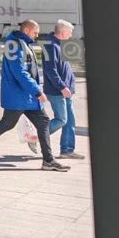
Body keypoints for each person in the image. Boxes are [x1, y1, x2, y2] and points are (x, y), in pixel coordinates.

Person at [0, 19, 70, 171]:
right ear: (26, 30)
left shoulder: (23, 43)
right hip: (18, 95)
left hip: (27, 96)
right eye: (35, 33)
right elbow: (20, 72)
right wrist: (37, 91)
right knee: (7, 123)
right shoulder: (14, 45)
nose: (36, 36)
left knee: (43, 121)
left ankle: (48, 160)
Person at [43, 19, 85, 160]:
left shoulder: (61, 44)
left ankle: (67, 150)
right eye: (70, 32)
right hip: (57, 91)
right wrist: (62, 87)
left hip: (66, 91)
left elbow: (64, 68)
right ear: (63, 32)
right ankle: (37, 136)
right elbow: (50, 70)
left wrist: (69, 86)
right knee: (61, 119)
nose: (71, 34)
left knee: (70, 122)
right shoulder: (50, 46)